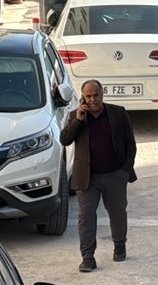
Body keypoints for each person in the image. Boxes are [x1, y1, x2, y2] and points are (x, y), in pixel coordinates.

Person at [59, 80, 137, 273]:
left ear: (102, 94)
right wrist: (77, 120)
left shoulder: (118, 113)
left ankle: (119, 246)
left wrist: (124, 171)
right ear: (83, 98)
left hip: (114, 175)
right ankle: (88, 257)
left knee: (118, 214)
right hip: (87, 178)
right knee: (85, 218)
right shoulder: (76, 117)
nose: (93, 99)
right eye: (88, 96)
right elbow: (64, 139)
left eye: (96, 95)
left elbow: (130, 143)